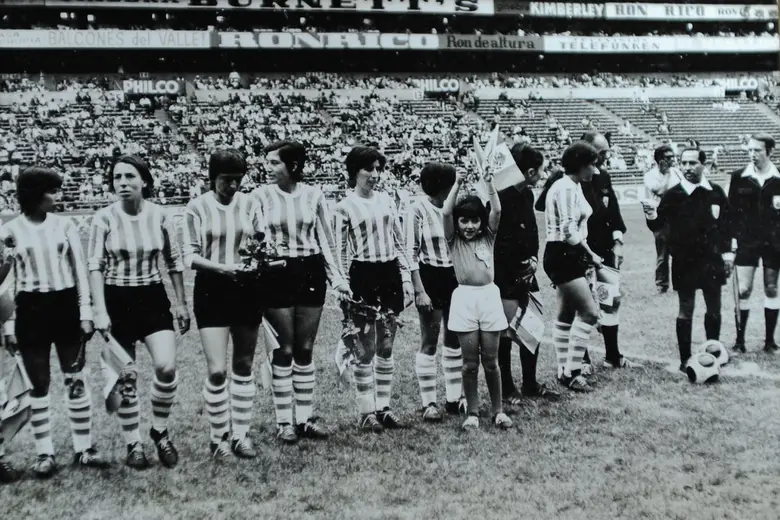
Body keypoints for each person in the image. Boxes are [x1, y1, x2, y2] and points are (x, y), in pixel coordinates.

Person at [1, 166, 104, 478]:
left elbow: (80, 272)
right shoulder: (10, 231)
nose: (58, 197)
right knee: (38, 385)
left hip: (65, 304)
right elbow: (7, 281)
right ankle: (45, 454)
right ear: (35, 194)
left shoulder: (65, 225)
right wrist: (9, 325)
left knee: (75, 377)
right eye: (52, 191)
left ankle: (84, 449)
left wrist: (85, 312)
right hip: (30, 308)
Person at [88, 155, 190, 469]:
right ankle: (134, 444)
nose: (123, 183)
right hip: (116, 299)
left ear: (144, 181)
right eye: (117, 178)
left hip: (151, 297)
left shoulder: (161, 216)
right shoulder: (103, 218)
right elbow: (94, 266)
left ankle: (159, 431)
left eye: (129, 177)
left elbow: (174, 262)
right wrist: (100, 311)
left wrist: (182, 303)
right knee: (125, 376)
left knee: (166, 367)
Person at [252, 140, 350, 443]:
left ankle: (305, 418)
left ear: (293, 166)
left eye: (273, 162)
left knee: (305, 350)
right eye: (267, 162)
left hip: (309, 271)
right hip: (275, 274)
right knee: (284, 350)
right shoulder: (259, 196)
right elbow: (255, 239)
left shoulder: (314, 195)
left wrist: (338, 279)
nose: (267, 168)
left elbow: (326, 239)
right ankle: (284, 422)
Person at [183, 148, 265, 459]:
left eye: (237, 180)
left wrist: (256, 262)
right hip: (211, 289)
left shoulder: (250, 203)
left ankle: (240, 436)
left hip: (246, 288)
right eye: (225, 180)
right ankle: (218, 439)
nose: (232, 186)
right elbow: (188, 255)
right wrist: (221, 268)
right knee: (217, 370)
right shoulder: (196, 207)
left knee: (243, 366)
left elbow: (260, 242)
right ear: (212, 178)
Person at [333, 145, 414, 433]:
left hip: (389, 272)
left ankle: (385, 408)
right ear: (355, 172)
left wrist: (405, 277)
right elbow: (340, 251)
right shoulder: (344, 207)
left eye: (378, 169)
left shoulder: (387, 201)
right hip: (363, 275)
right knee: (365, 348)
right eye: (369, 169)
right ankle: (367, 412)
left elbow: (400, 243)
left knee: (387, 344)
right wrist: (341, 284)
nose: (375, 175)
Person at [642, 157, 733, 370]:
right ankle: (684, 359)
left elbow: (727, 226)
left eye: (693, 163)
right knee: (686, 308)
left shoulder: (716, 192)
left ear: (704, 165)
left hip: (712, 259)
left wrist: (728, 255)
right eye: (683, 163)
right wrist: (651, 214)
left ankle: (714, 353)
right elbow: (658, 224)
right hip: (685, 260)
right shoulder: (673, 195)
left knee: (714, 307)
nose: (687, 167)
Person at [443, 164, 512, 430]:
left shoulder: (489, 237)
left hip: (488, 298)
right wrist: (457, 184)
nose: (470, 226)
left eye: (475, 220)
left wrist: (489, 184)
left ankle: (498, 411)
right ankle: (472, 412)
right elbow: (447, 211)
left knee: (491, 361)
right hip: (465, 300)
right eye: (465, 221)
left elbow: (497, 209)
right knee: (469, 363)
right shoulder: (454, 240)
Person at [494, 143, 560, 406]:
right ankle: (508, 387)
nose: (543, 176)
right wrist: (515, 270)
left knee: (532, 328)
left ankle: (530, 384)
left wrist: (532, 259)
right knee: (506, 334)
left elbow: (531, 231)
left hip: (526, 272)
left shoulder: (526, 196)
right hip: (506, 276)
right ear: (530, 171)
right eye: (541, 171)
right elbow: (498, 242)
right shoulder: (501, 197)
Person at [538, 142, 602, 392]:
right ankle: (573, 371)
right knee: (590, 313)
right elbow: (567, 230)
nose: (594, 170)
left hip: (567, 253)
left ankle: (564, 369)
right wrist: (591, 254)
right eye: (591, 165)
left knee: (565, 316)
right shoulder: (565, 187)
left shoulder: (572, 186)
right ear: (580, 165)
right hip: (563, 253)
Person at [406, 162, 466, 422]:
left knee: (454, 339)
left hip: (456, 276)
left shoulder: (456, 206)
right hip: (430, 275)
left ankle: (454, 399)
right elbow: (410, 252)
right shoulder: (417, 209)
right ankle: (429, 402)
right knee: (429, 341)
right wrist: (419, 290)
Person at [578, 131, 635, 370]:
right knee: (581, 304)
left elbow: (614, 212)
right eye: (601, 154)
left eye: (606, 153)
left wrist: (618, 240)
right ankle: (581, 359)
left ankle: (613, 355)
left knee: (609, 300)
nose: (604, 158)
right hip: (578, 251)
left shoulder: (604, 178)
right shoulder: (570, 179)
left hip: (604, 251)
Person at [728, 134, 780, 354]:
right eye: (750, 150)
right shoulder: (739, 177)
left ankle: (770, 341)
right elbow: (730, 214)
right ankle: (740, 340)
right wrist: (731, 244)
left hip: (774, 242)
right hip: (746, 241)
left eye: (757, 150)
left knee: (771, 287)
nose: (752, 154)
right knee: (744, 289)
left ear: (770, 152)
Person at [642, 144, 682, 293]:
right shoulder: (650, 175)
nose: (672, 160)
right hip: (660, 216)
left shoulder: (677, 172)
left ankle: (679, 283)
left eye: (673, 157)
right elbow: (660, 191)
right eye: (668, 157)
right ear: (660, 160)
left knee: (679, 251)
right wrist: (666, 175)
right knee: (663, 253)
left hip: (677, 215)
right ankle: (662, 284)